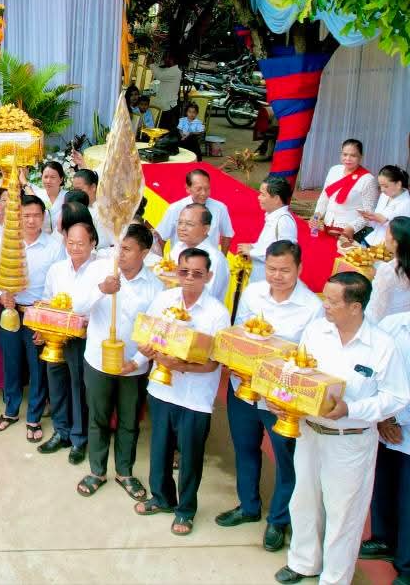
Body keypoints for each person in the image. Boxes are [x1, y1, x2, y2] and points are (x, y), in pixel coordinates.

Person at [275, 273, 410, 585]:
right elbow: (296, 372)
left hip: (350, 440)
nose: (325, 305)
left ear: (355, 307)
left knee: (344, 512)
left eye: (333, 301)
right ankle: (303, 562)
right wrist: (282, 399)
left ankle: (334, 578)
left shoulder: (381, 346)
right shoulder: (316, 331)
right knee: (304, 499)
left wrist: (351, 409)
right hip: (309, 431)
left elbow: (396, 397)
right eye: (325, 298)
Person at [217, 241, 321, 551]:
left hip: (279, 400)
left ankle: (278, 519)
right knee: (245, 448)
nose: (277, 276)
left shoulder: (311, 307)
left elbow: (309, 358)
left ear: (299, 268)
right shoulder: (253, 293)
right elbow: (239, 332)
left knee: (286, 460)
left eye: (284, 270)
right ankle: (248, 505)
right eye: (272, 269)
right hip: (243, 390)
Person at [133, 248, 231, 537]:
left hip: (195, 397)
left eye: (197, 274)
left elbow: (214, 363)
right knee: (160, 449)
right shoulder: (164, 300)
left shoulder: (217, 313)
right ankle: (162, 497)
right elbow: (146, 335)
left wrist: (182, 365)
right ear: (176, 271)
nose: (189, 278)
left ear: (208, 277)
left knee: (190, 455)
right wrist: (145, 350)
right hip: (162, 388)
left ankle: (186, 509)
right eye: (184, 272)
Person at [72, 223, 163, 503]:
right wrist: (102, 289)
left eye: (127, 249)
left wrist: (136, 362)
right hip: (98, 360)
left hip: (132, 366)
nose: (119, 254)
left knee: (128, 420)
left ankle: (125, 471)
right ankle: (97, 471)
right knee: (97, 417)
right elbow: (78, 306)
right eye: (118, 247)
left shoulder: (155, 286)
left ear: (144, 253)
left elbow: (154, 333)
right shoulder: (100, 271)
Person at [0, 196, 63, 440]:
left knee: (37, 368)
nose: (31, 220)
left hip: (38, 316)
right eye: (26, 215)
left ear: (44, 217)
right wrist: (2, 294)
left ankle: (34, 416)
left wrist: (45, 318)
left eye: (36, 215)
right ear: (18, 217)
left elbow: (57, 286)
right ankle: (11, 410)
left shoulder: (54, 246)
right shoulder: (8, 242)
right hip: (11, 313)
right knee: (11, 363)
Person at [40, 220, 98, 461]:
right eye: (71, 242)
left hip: (81, 338)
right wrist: (42, 329)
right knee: (56, 385)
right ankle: (60, 431)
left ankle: (78, 438)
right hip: (55, 338)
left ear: (93, 243)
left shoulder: (99, 271)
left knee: (78, 387)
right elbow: (46, 299)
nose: (75, 248)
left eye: (81, 243)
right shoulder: (57, 270)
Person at [363, 307, 410, 585]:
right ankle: (383, 539)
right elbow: (374, 371)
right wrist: (384, 417)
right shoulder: (393, 323)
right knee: (383, 485)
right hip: (386, 423)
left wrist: (397, 419)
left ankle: (407, 567)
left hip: (401, 422)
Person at [154, 169, 235, 253]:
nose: (204, 193)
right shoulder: (175, 209)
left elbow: (227, 235)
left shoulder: (220, 208)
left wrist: (222, 258)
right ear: (188, 188)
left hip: (210, 259)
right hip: (180, 259)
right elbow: (160, 237)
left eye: (207, 188)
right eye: (198, 189)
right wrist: (160, 260)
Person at [310, 138, 379, 237]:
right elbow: (325, 197)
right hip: (327, 226)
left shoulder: (368, 179)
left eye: (353, 155)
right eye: (345, 154)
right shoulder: (334, 170)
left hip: (350, 232)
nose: (348, 158)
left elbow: (369, 213)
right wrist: (316, 216)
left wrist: (351, 228)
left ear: (361, 157)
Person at [239, 177, 298, 283]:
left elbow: (283, 254)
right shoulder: (274, 217)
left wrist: (252, 252)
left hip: (272, 282)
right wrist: (253, 247)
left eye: (263, 194)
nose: (258, 197)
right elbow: (269, 245)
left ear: (276, 198)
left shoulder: (283, 222)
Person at [370, 217, 410, 323]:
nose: (385, 237)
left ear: (395, 241)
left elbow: (376, 310)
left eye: (387, 233)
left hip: (389, 324)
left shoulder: (388, 270)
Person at [362, 165, 410, 248]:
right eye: (380, 186)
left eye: (386, 186)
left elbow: (403, 231)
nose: (382, 190)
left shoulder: (407, 203)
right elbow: (376, 224)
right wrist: (370, 218)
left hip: (391, 247)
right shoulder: (384, 196)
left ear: (398, 184)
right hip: (373, 241)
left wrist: (384, 220)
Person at [29, 160, 67, 235]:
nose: (48, 181)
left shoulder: (68, 196)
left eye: (53, 177)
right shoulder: (37, 195)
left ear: (61, 179)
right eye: (45, 177)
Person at [149, 52, 182, 128]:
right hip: (165, 106)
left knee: (165, 130)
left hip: (168, 107)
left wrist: (151, 64)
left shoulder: (175, 71)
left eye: (165, 58)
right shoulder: (169, 69)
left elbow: (159, 75)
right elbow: (159, 70)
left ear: (171, 59)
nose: (164, 60)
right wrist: (154, 63)